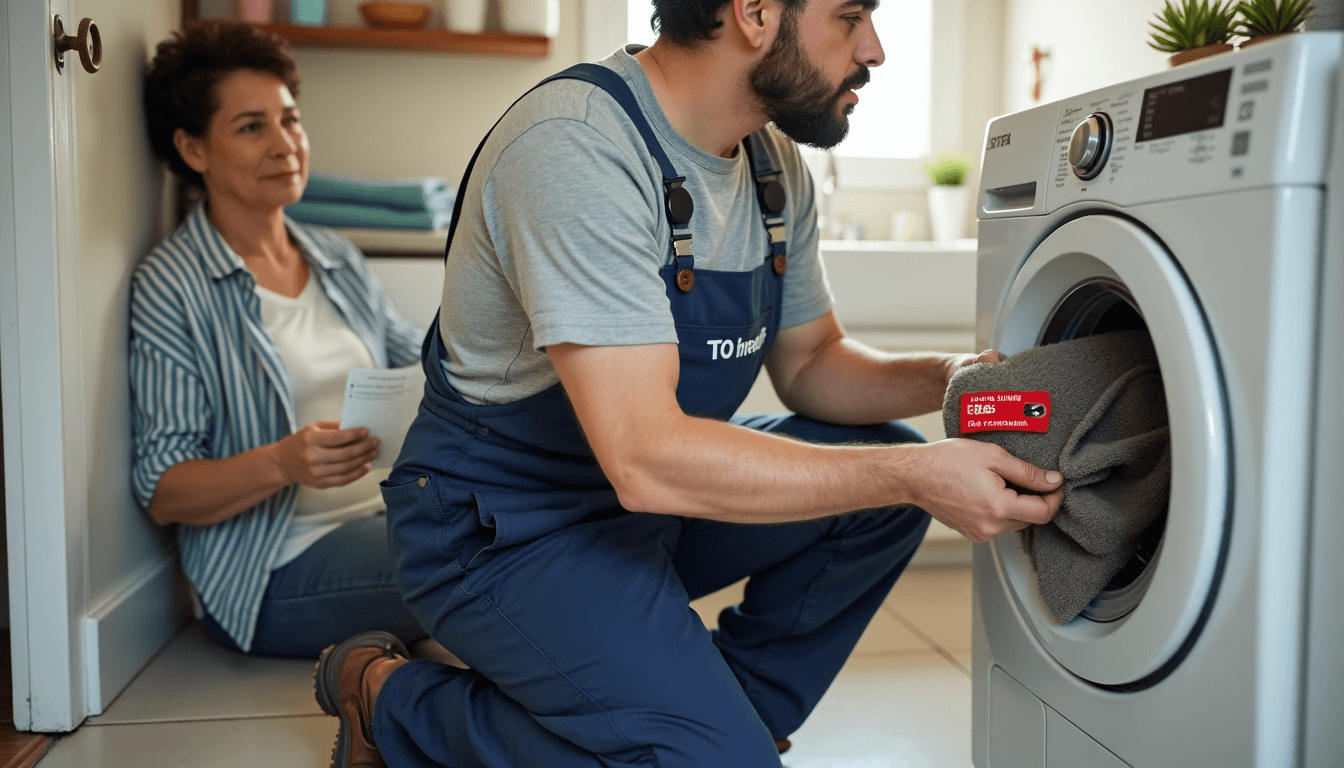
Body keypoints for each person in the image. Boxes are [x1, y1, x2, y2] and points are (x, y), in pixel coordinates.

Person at [314, 0, 1064, 765]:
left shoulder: (773, 167)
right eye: (850, 16)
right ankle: (391, 700)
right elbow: (645, 457)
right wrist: (914, 476)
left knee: (879, 486)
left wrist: (952, 378)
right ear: (755, 11)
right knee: (894, 476)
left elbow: (810, 365)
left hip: (645, 509)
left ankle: (727, 720)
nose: (874, 48)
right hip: (507, 527)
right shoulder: (576, 146)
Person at [130, 20, 428, 658]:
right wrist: (283, 463)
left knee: (528, 535)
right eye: (250, 127)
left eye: (290, 120)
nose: (286, 144)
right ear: (193, 149)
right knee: (487, 561)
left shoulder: (335, 258)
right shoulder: (172, 285)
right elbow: (161, 490)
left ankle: (393, 694)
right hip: (271, 569)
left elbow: (428, 368)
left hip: (381, 519)